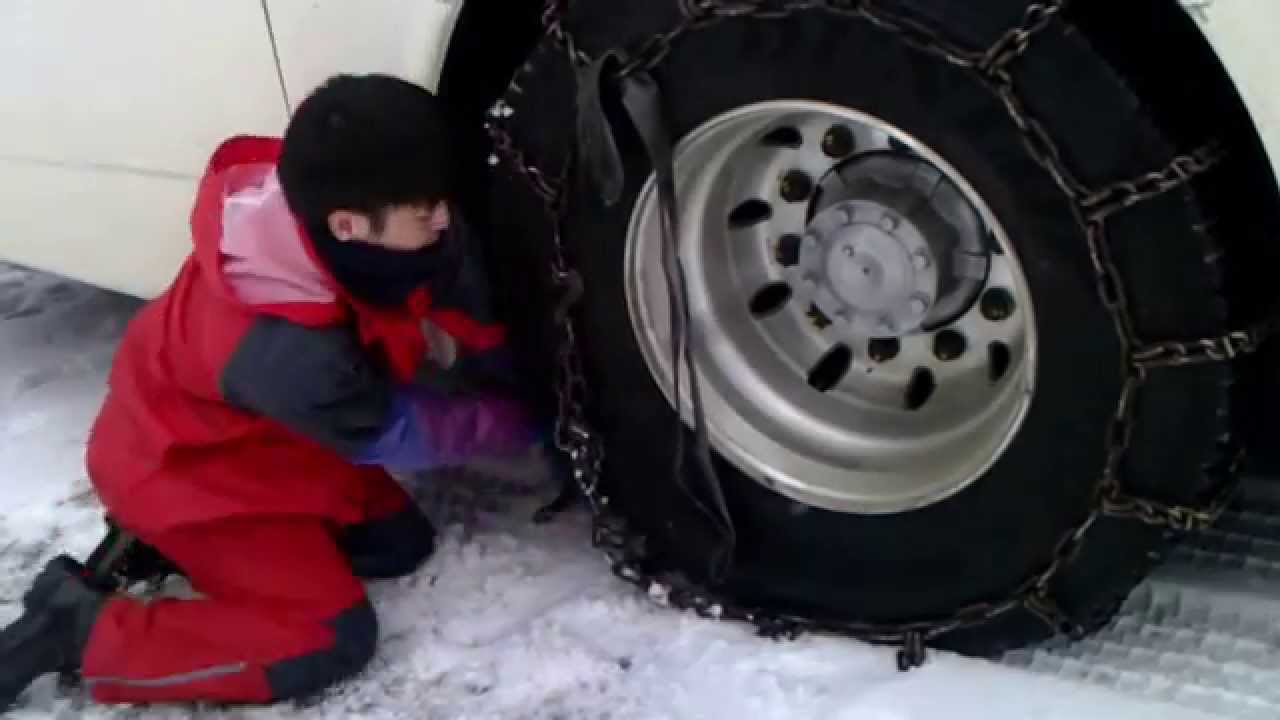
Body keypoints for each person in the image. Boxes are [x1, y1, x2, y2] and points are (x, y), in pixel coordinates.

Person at [0, 73, 543, 709]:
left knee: (399, 546)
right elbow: (398, 428)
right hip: (186, 474)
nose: (443, 219)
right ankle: (84, 628)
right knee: (327, 637)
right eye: (425, 211)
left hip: (265, 439)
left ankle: (201, 553)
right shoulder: (288, 354)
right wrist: (530, 420)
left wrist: (512, 358)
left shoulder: (326, 209)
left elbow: (449, 296)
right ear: (348, 225)